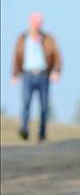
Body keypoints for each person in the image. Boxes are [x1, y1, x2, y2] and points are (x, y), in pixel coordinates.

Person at [11, 12, 61, 142]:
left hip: (43, 74)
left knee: (44, 106)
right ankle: (24, 129)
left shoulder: (48, 38)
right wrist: (15, 74)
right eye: (35, 22)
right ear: (30, 22)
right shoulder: (22, 38)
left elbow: (56, 55)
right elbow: (16, 56)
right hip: (27, 74)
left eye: (39, 22)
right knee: (26, 103)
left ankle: (42, 133)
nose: (37, 25)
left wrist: (56, 71)